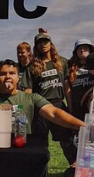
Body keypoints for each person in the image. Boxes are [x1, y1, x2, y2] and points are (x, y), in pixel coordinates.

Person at [0, 59, 84, 135]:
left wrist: (84, 127)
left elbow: (54, 113)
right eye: (3, 74)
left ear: (18, 78)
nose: (8, 77)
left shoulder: (32, 98)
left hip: (22, 153)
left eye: (12, 73)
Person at [29, 31, 74, 161]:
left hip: (58, 104)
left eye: (45, 41)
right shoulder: (32, 65)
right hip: (41, 106)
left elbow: (66, 86)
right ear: (36, 46)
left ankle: (74, 167)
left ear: (51, 43)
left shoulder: (62, 61)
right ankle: (42, 171)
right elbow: (29, 90)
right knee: (41, 142)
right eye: (39, 43)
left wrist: (70, 106)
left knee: (66, 140)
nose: (43, 44)